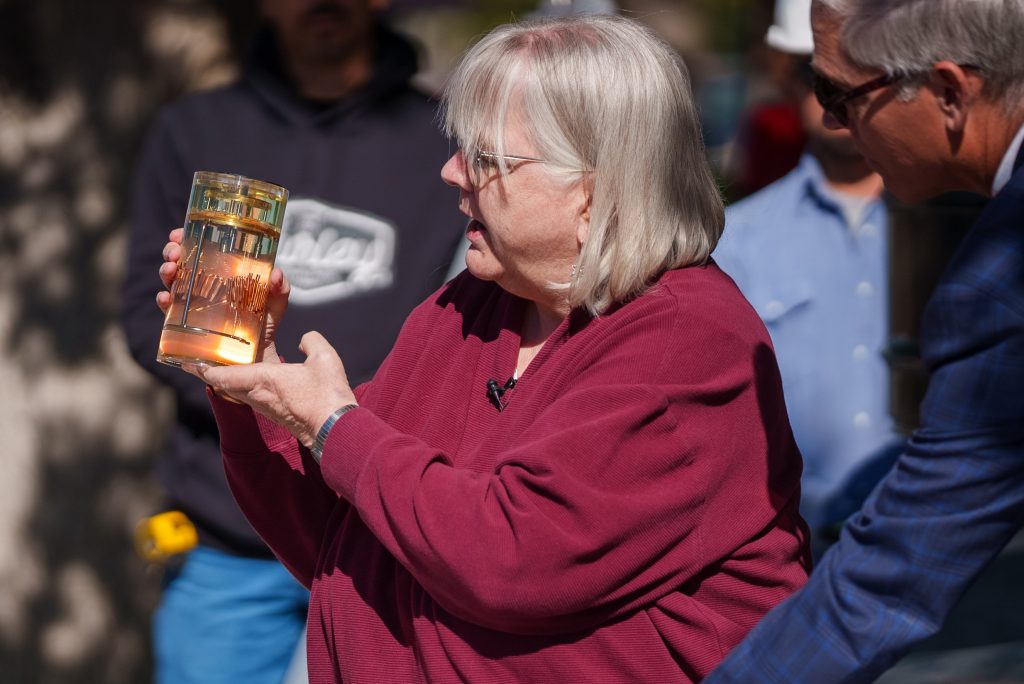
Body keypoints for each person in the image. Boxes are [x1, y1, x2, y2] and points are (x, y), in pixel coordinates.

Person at [155, 15, 811, 682]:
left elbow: (511, 558)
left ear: (595, 188)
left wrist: (333, 425)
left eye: (487, 158)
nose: (451, 172)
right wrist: (254, 382)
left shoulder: (687, 342)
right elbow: (338, 534)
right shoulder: (470, 305)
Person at [120, 0, 463, 681]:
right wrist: (254, 392)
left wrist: (346, 423)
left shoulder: (445, 144)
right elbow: (141, 316)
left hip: (390, 541)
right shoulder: (197, 129)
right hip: (227, 542)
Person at [706, 0, 1024, 681]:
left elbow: (900, 569)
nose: (833, 119)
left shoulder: (1001, 279)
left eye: (840, 92)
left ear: (947, 92)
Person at [713, 0, 902, 557]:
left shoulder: (957, 228)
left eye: (855, 74)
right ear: (786, 78)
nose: (831, 94)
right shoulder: (734, 242)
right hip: (801, 553)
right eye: (812, 75)